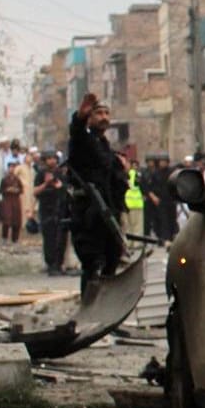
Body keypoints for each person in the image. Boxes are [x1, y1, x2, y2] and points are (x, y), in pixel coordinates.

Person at [67, 93, 127, 297]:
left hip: (108, 214)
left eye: (106, 113)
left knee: (111, 261)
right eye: (98, 113)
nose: (103, 117)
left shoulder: (104, 145)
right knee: (93, 264)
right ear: (90, 118)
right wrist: (80, 117)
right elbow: (76, 133)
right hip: (89, 216)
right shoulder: (83, 141)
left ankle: (104, 311)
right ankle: (88, 309)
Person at [35, 151, 71, 276]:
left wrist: (59, 185)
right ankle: (51, 265)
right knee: (49, 239)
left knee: (61, 239)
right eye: (49, 158)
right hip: (46, 210)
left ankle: (59, 264)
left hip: (60, 210)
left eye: (53, 158)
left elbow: (67, 189)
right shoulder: (41, 174)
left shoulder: (60, 173)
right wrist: (46, 184)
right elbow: (35, 191)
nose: (52, 161)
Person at [0, 158, 26, 245]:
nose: (12, 169)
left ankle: (15, 239)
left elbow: (21, 190)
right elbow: (0, 190)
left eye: (13, 167)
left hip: (16, 201)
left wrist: (16, 190)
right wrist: (7, 190)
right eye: (10, 167)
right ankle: (4, 238)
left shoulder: (17, 179)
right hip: (7, 201)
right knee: (7, 220)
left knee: (16, 221)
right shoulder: (4, 179)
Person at [119, 152, 145, 241]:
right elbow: (141, 185)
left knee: (127, 227)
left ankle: (128, 243)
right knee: (137, 226)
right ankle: (136, 243)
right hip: (135, 203)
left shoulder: (123, 174)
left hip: (126, 203)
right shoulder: (135, 174)